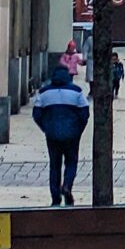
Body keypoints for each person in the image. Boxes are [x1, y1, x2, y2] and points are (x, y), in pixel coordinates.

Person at [32, 60, 90, 205]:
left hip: (52, 135)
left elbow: (36, 114)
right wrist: (78, 130)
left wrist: (46, 128)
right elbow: (85, 114)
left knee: (54, 165)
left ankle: (55, 196)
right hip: (72, 134)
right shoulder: (76, 91)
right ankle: (67, 186)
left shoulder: (44, 92)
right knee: (71, 162)